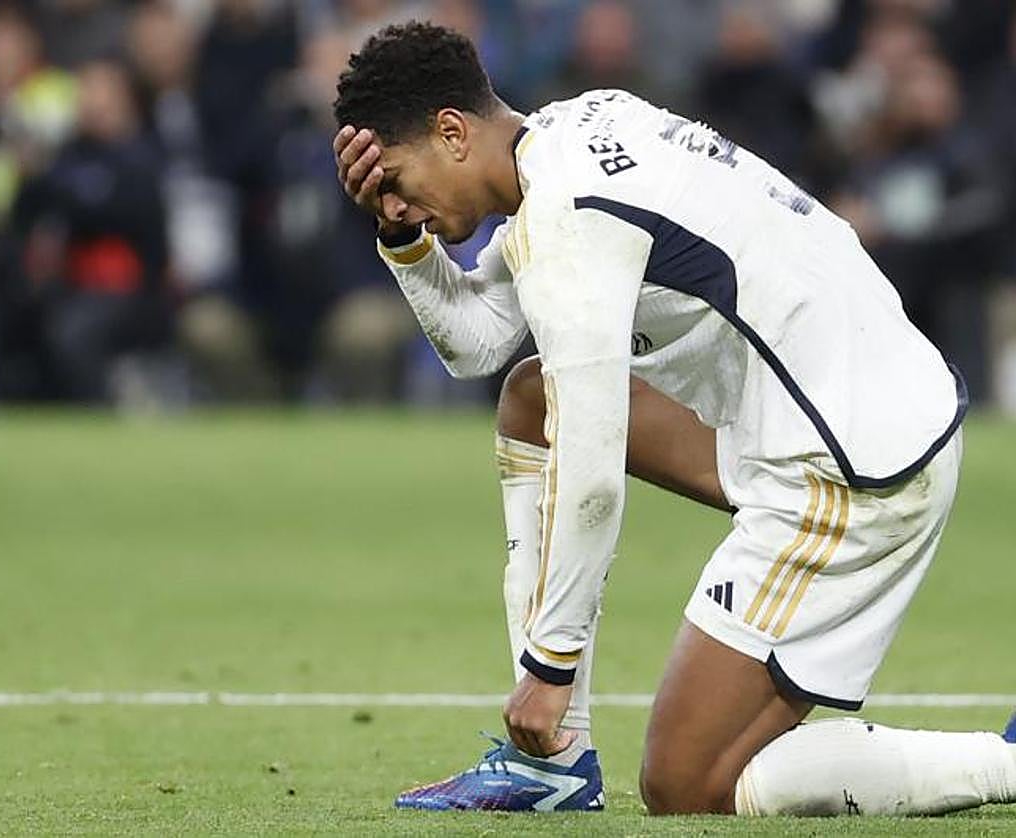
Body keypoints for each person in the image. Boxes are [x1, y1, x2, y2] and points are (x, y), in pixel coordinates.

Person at [331, 21, 1016, 816]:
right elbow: (480, 343)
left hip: (852, 464)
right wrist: (402, 235)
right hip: (848, 402)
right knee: (533, 399)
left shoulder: (570, 218)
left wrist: (549, 668)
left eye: (401, 177)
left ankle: (1005, 765)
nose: (398, 195)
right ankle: (553, 770)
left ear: (452, 132)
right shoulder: (572, 132)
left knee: (688, 786)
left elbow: (591, 471)